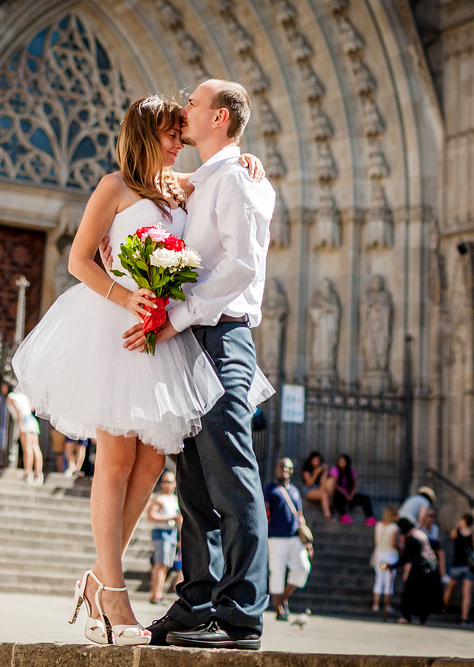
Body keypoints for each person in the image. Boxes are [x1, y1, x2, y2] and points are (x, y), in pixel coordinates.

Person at [13, 93, 268, 646]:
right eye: (170, 135)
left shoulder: (183, 186)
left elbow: (234, 185)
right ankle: (113, 590)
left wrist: (249, 161)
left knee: (154, 461)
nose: (178, 144)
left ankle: (99, 580)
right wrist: (123, 297)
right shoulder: (113, 186)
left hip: (164, 332)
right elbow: (79, 259)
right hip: (116, 323)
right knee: (118, 456)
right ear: (145, 134)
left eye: (182, 133)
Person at [133, 79, 277, 651]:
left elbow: (242, 265)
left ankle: (242, 614)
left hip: (219, 338)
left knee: (231, 477)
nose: (183, 109)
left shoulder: (238, 179)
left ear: (218, 116)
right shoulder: (216, 177)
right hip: (195, 338)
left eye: (191, 103)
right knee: (194, 481)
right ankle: (197, 602)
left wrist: (180, 315)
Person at [263, 458, 312, 622]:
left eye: (288, 467)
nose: (285, 469)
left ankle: (283, 598)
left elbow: (300, 515)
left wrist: (308, 541)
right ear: (276, 469)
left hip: (294, 537)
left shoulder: (295, 491)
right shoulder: (271, 489)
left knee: (303, 567)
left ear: (292, 471)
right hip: (276, 538)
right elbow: (264, 512)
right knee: (277, 571)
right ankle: (279, 609)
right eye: (282, 466)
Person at [393, 517, 443, 625]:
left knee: (411, 592)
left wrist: (393, 566)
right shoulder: (418, 534)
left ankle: (407, 616)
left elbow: (407, 556)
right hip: (429, 568)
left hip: (422, 569)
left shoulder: (413, 537)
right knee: (424, 595)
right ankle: (422, 618)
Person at [442, 513, 474, 626]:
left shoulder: (457, 532)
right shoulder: (473, 535)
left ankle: (442, 609)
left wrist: (458, 525)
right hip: (468, 567)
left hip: (456, 565)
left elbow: (451, 535)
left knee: (449, 589)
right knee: (466, 594)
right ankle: (464, 618)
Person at [147, 472, 181, 605]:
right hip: (161, 532)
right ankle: (155, 594)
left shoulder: (174, 499)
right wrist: (170, 518)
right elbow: (150, 516)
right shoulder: (158, 498)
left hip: (171, 533)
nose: (167, 484)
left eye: (169, 482)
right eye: (165, 481)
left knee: (166, 565)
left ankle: (158, 594)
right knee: (160, 565)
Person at [2, 380, 43, 485]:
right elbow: (32, 408)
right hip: (32, 420)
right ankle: (38, 474)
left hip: (24, 420)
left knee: (27, 449)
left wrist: (20, 426)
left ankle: (27, 473)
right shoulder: (23, 396)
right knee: (35, 448)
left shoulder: (11, 397)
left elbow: (19, 411)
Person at [328, 454, 376, 526]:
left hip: (349, 495)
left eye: (343, 462)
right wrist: (344, 493)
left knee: (365, 499)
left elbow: (354, 485)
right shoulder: (335, 470)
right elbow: (335, 485)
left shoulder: (351, 472)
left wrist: (351, 494)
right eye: (340, 461)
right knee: (340, 497)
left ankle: (369, 518)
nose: (341, 463)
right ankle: (343, 515)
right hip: (339, 495)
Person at [372, 506, 399, 614]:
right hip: (390, 556)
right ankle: (387, 606)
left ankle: (375, 604)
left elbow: (376, 541)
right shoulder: (394, 527)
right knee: (389, 582)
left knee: (378, 579)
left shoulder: (378, 525)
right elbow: (393, 543)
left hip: (379, 554)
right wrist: (400, 545)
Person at [300, 451, 333, 521]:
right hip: (309, 490)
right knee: (324, 495)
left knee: (330, 482)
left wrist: (325, 472)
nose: (317, 462)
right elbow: (309, 483)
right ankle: (328, 516)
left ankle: (330, 503)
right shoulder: (306, 470)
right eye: (315, 460)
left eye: (318, 461)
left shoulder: (320, 469)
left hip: (318, 489)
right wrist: (316, 473)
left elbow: (323, 484)